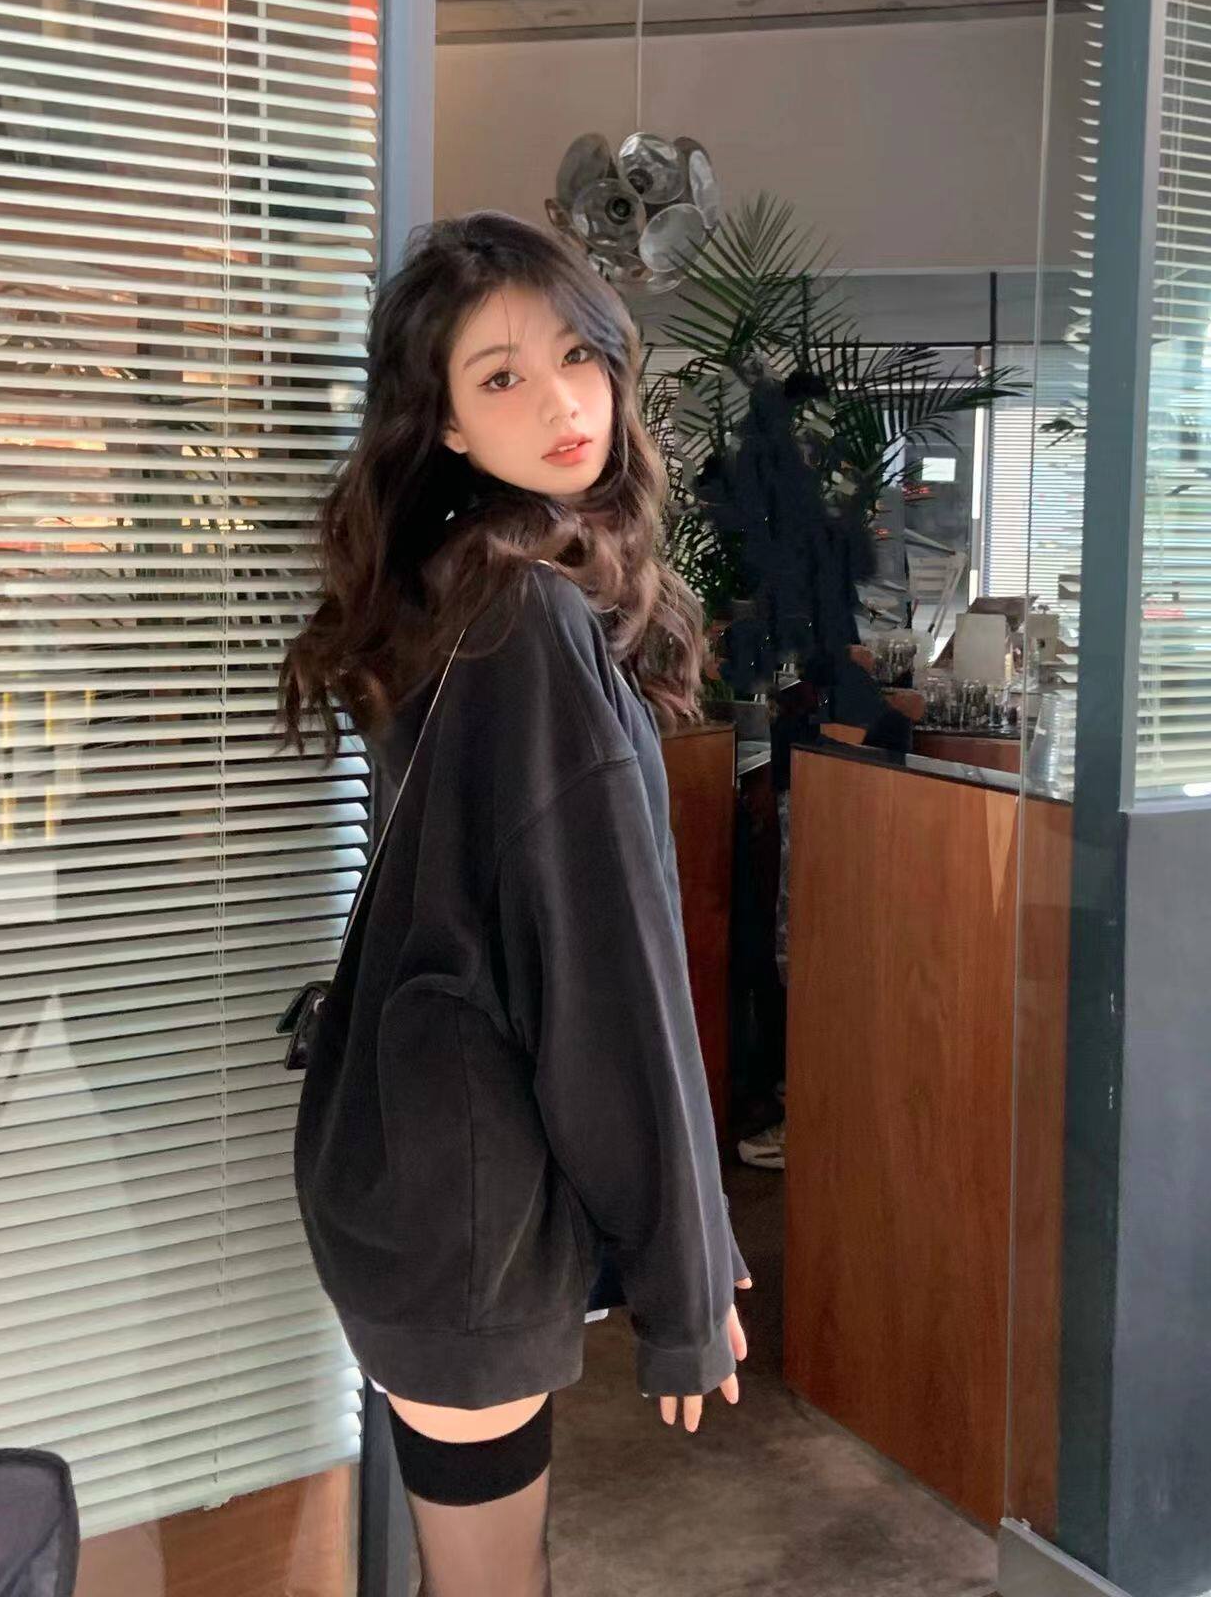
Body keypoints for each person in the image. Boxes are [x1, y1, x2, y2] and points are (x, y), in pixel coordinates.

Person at [273, 211, 753, 1595]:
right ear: (444, 424)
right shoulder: (526, 618)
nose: (560, 403)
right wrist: (684, 1273)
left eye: (577, 358)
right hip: (466, 1205)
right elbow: (607, 981)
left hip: (418, 1168)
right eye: (501, 377)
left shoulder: (453, 587)